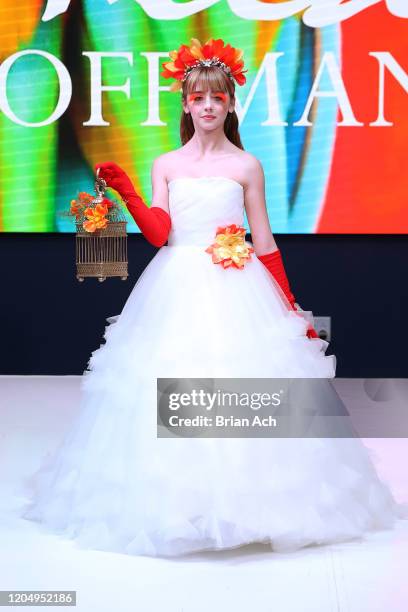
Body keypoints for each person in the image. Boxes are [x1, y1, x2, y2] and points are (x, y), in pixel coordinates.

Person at [20, 37, 404, 557]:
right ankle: (181, 508)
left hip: (236, 285)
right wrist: (129, 192)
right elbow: (160, 233)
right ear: (185, 103)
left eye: (216, 98)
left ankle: (253, 509)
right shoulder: (167, 164)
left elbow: (263, 239)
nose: (207, 105)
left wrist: (288, 305)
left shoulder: (246, 166)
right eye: (198, 96)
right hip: (175, 286)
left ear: (229, 104)